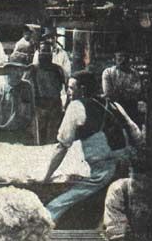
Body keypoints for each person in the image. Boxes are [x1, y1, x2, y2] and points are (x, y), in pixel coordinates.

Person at [42, 70, 144, 221]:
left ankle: (44, 220)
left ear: (82, 89)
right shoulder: (113, 104)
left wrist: (47, 176)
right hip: (127, 167)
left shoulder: (76, 106)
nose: (68, 92)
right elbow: (136, 133)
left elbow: (62, 146)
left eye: (71, 88)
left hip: (104, 171)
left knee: (58, 203)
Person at [0, 53, 38, 146]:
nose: (20, 74)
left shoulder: (27, 87)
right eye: (16, 69)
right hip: (1, 138)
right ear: (8, 70)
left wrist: (36, 143)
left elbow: (32, 116)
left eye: (22, 70)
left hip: (22, 138)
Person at [23, 41, 66, 145]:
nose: (45, 54)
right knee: (39, 137)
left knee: (53, 138)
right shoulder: (31, 69)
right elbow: (24, 89)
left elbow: (65, 87)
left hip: (55, 107)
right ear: (38, 52)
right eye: (43, 51)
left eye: (48, 51)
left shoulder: (58, 70)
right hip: (38, 107)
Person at [102, 50, 143, 124]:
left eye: (126, 56)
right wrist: (127, 91)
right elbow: (108, 93)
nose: (123, 59)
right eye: (120, 56)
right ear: (115, 58)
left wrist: (118, 91)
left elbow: (137, 91)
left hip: (130, 109)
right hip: (114, 109)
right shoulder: (108, 72)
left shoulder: (134, 74)